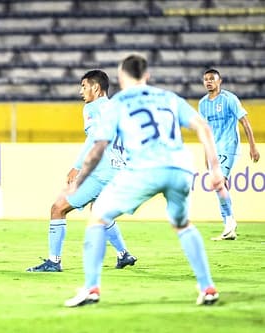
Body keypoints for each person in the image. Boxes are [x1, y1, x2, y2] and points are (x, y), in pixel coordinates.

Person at [64, 54, 222, 307]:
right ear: (147, 76)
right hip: (180, 169)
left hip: (145, 169)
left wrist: (79, 177)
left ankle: (91, 289)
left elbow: (98, 146)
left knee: (98, 217)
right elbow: (203, 127)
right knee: (183, 225)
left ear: (122, 78)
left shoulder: (118, 102)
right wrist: (215, 170)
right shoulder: (169, 98)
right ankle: (208, 288)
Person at [26, 70, 137, 272]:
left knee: (58, 208)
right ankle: (124, 255)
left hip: (101, 171)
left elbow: (95, 137)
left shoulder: (92, 107)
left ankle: (54, 261)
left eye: (84, 86)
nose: (81, 91)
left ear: (96, 87)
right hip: (118, 171)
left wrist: (77, 166)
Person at [198, 69, 260, 241]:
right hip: (214, 149)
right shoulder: (202, 104)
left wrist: (253, 147)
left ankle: (230, 223)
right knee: (218, 186)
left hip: (229, 146)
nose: (208, 82)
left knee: (219, 182)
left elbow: (245, 122)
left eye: (212, 79)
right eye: (205, 79)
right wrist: (206, 154)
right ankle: (229, 226)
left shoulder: (229, 99)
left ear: (220, 81)